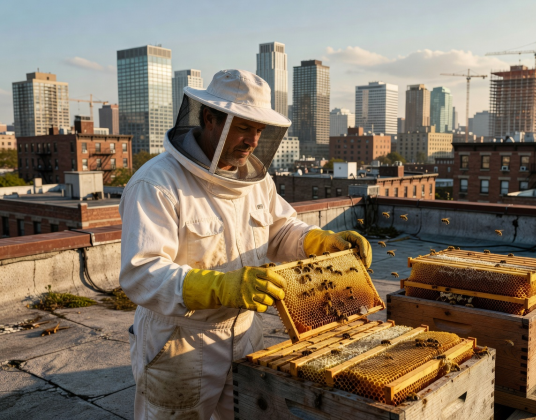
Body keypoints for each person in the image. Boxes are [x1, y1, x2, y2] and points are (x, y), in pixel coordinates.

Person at [119, 69, 372, 419]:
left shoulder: (254, 180)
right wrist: (221, 286)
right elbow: (142, 273)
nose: (253, 140)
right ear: (209, 119)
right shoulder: (157, 183)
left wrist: (321, 241)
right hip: (181, 340)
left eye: (259, 130)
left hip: (245, 334)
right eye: (243, 127)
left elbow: (280, 230)